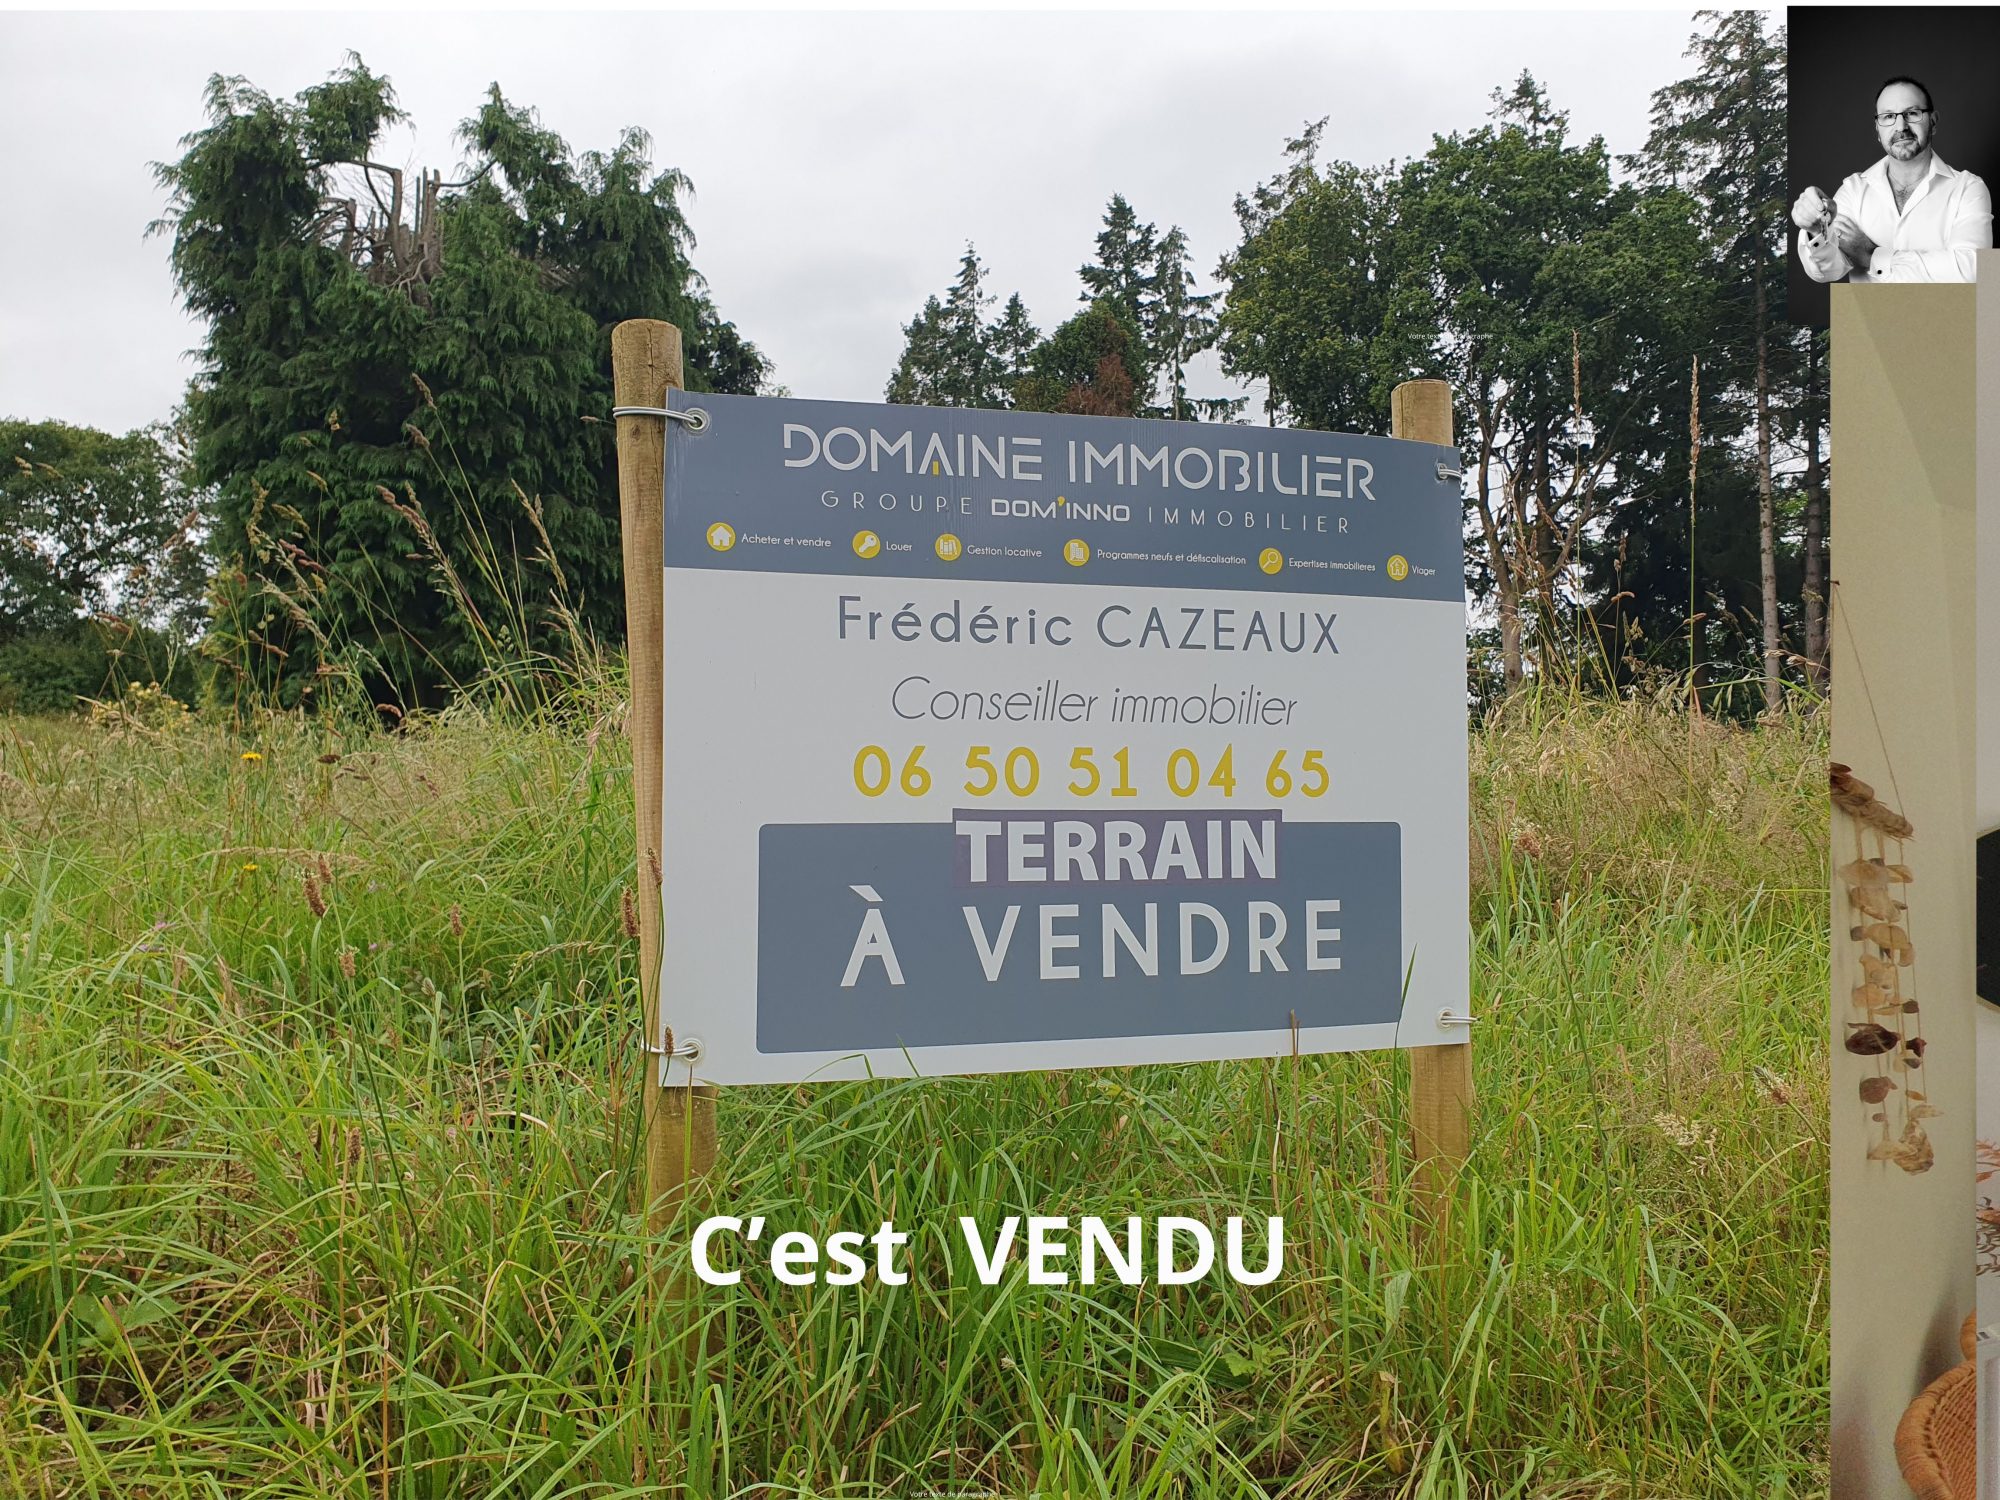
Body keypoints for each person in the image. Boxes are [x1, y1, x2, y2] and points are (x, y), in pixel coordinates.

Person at [1794, 76, 1992, 284]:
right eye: (1888, 116)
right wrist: (1817, 231)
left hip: (1946, 310)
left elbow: (1976, 273)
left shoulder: (1969, 188)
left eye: (1912, 113)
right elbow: (1826, 273)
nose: (1901, 126)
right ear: (1878, 129)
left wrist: (1872, 256)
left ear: (1933, 122)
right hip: (1871, 309)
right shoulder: (1854, 190)